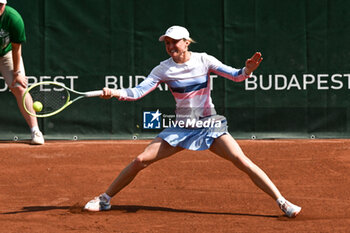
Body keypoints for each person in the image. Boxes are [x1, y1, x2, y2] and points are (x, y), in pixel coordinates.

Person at [84, 25, 301, 217]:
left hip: (209, 125)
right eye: (167, 43)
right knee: (140, 160)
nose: (170, 46)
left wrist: (248, 70)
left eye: (175, 42)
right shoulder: (162, 69)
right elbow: (138, 91)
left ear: (187, 43)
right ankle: (104, 200)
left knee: (241, 160)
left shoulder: (204, 60)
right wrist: (113, 92)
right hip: (182, 128)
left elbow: (236, 75)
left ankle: (282, 202)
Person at [0, 0, 44, 145]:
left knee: (19, 87)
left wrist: (18, 72)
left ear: (4, 4)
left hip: (6, 54)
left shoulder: (13, 18)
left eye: (0, 5)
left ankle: (35, 131)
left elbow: (16, 47)